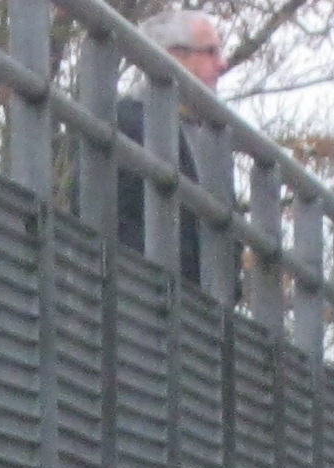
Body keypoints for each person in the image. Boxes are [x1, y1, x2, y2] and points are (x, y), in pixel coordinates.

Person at [115, 9, 226, 288]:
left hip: (198, 313)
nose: (222, 64)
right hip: (142, 302)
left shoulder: (213, 139)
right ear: (173, 57)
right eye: (211, 52)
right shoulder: (126, 124)